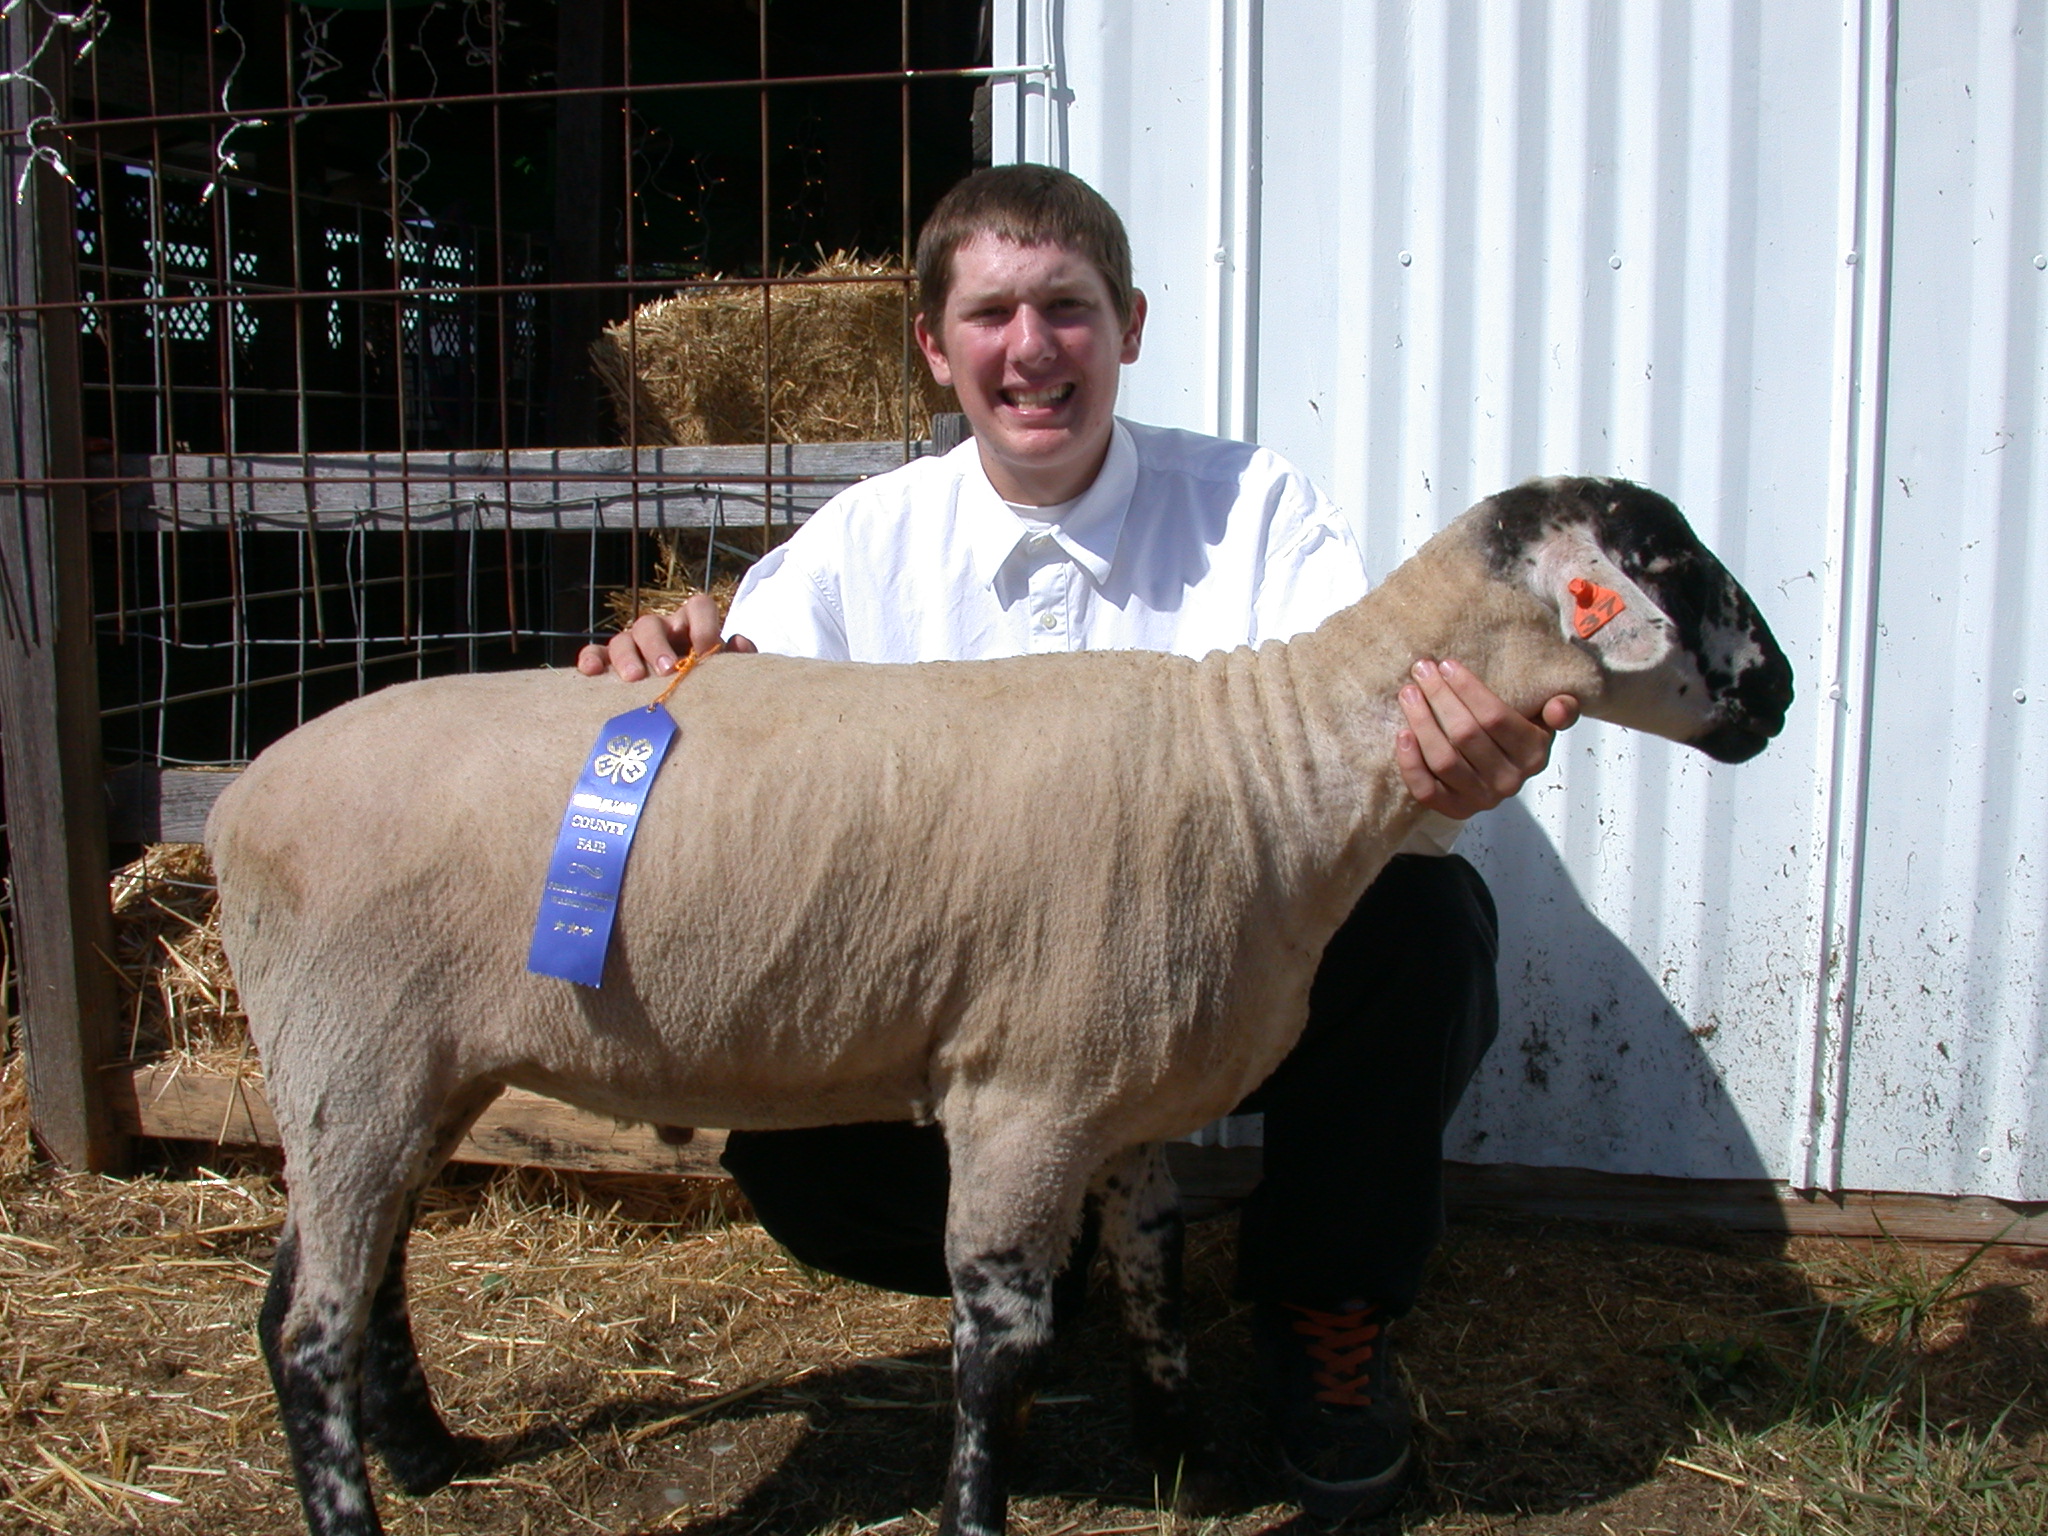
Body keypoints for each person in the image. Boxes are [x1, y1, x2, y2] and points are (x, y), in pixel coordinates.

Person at [578, 164, 1578, 1519]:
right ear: (934, 348)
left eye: (1068, 307)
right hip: (968, 1033)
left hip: (1201, 996)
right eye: (991, 314)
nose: (1032, 348)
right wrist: (678, 672)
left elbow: (1362, 756)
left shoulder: (1258, 513)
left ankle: (1324, 1312)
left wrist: (1454, 768)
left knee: (1424, 928)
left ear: (1131, 327)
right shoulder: (863, 545)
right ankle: (1050, 1276)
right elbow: (748, 731)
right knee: (789, 1150)